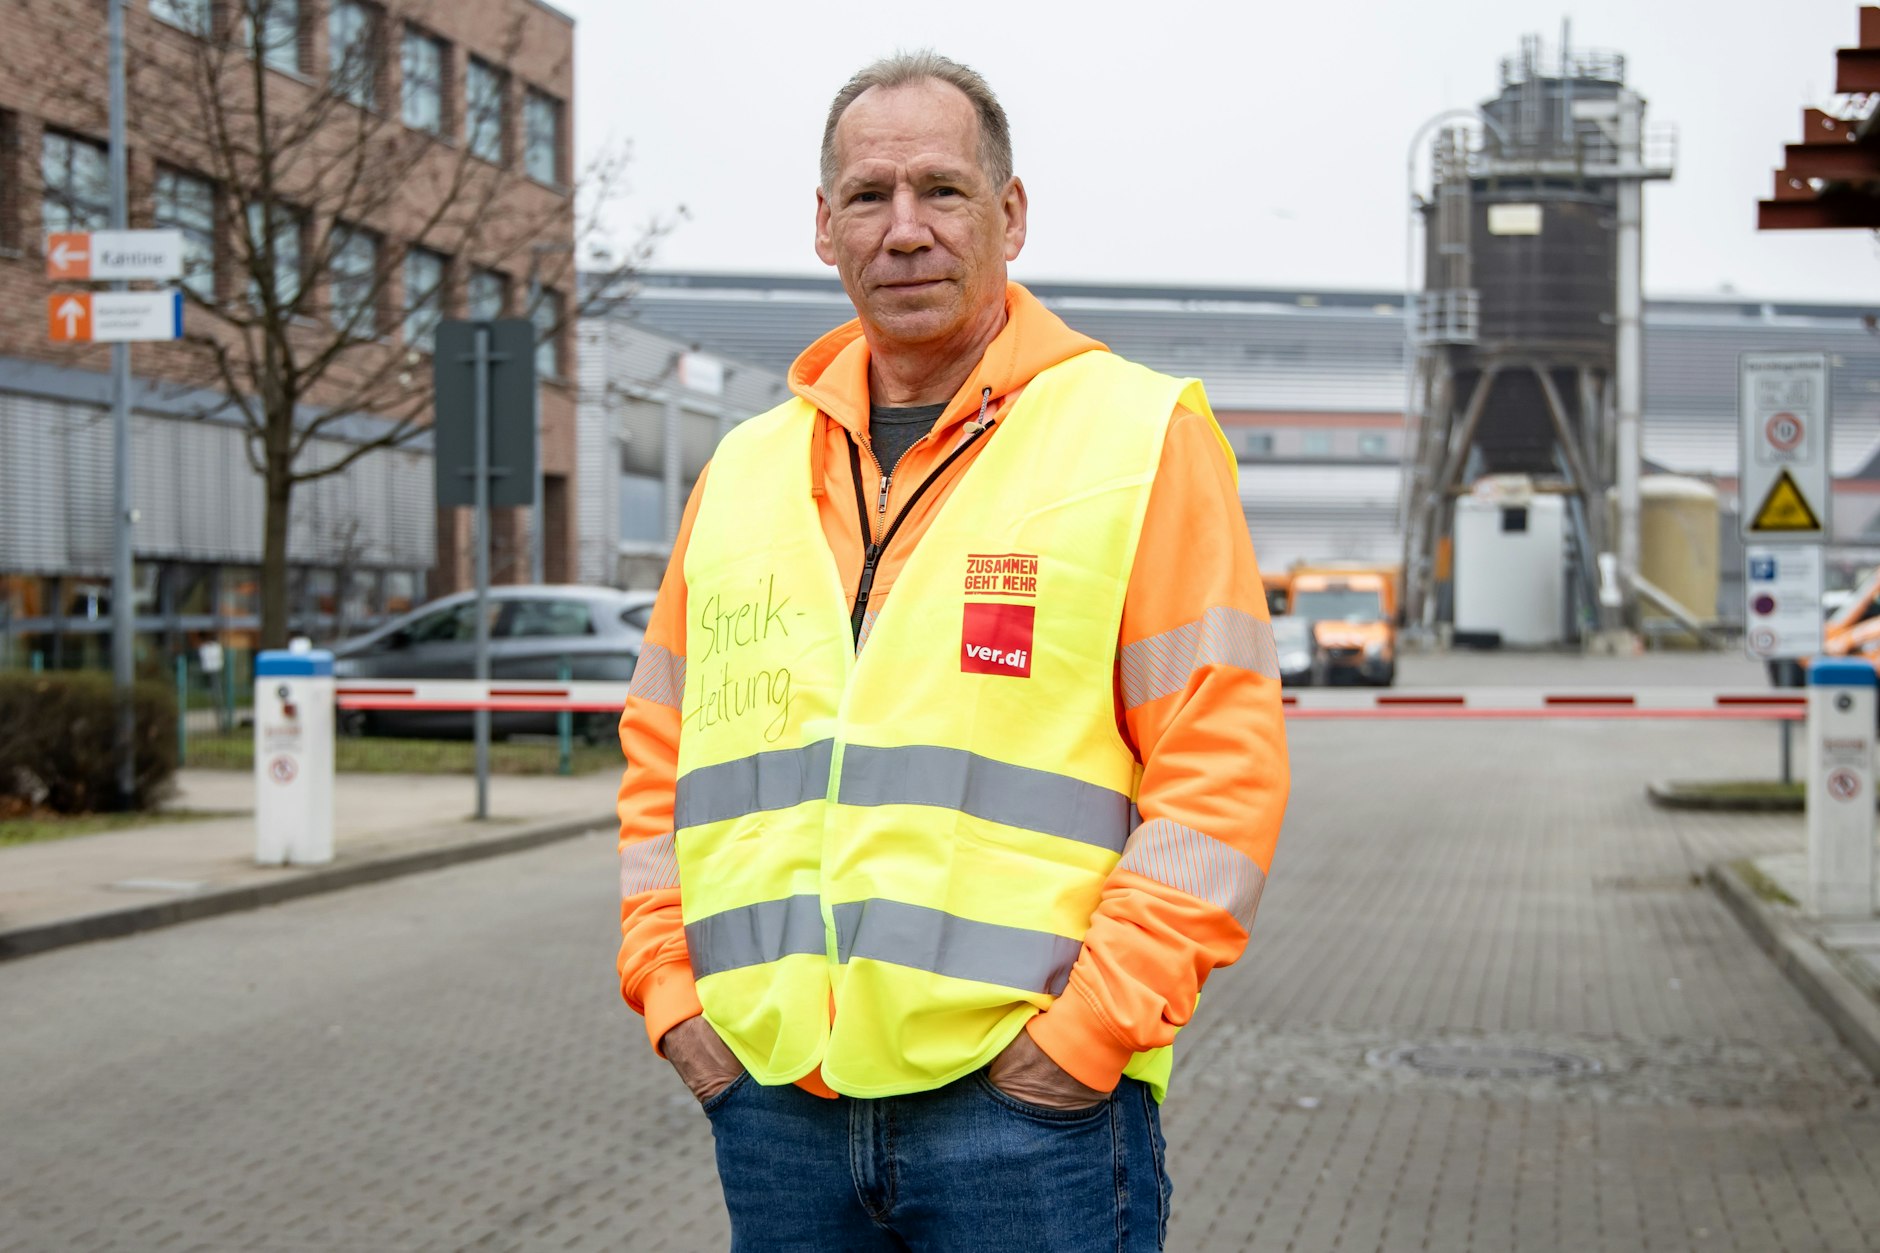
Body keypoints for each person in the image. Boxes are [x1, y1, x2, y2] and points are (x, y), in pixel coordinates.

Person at [616, 51, 1289, 1251]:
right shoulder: (742, 471)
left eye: (942, 188)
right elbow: (659, 760)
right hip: (775, 1102)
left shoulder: (1136, 435)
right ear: (823, 228)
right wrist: (672, 998)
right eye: (868, 197)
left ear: (1010, 213)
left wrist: (1080, 1042)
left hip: (1022, 1117)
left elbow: (1219, 774)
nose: (905, 229)